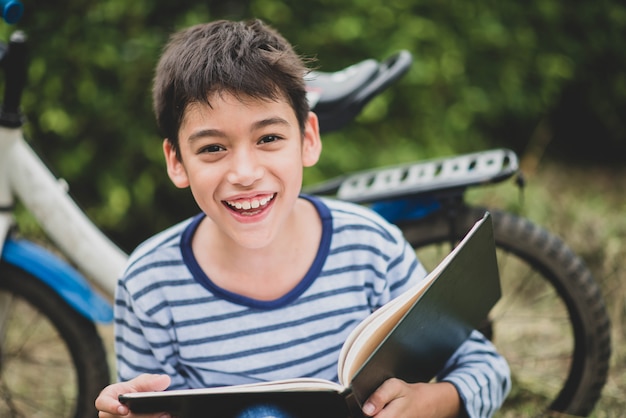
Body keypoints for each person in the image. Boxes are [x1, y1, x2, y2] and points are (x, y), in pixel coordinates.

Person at [95, 19, 510, 418]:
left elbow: (486, 367)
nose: (245, 173)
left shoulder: (370, 246)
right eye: (212, 149)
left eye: (269, 139)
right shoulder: (149, 284)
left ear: (308, 139)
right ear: (177, 161)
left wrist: (433, 403)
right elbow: (145, 403)